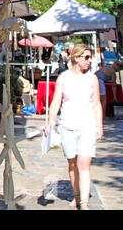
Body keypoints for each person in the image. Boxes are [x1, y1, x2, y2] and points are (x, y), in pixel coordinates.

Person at [44, 44, 103, 210]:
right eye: (86, 57)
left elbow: (97, 104)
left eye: (90, 57)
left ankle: (84, 203)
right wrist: (50, 122)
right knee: (72, 164)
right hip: (68, 125)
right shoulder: (63, 78)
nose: (89, 61)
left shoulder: (92, 79)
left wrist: (99, 126)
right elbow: (56, 102)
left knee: (84, 164)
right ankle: (77, 196)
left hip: (87, 126)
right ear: (76, 58)